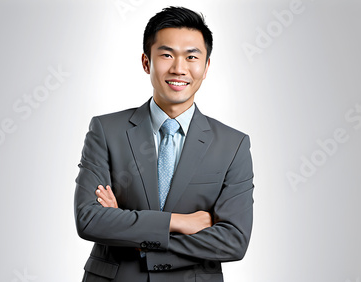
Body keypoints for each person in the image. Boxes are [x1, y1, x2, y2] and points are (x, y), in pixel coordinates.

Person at [74, 6, 254, 282]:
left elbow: (233, 240)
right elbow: (89, 219)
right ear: (147, 62)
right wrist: (180, 222)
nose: (179, 68)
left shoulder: (233, 145)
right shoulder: (106, 130)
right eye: (167, 54)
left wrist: (136, 235)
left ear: (206, 67)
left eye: (191, 57)